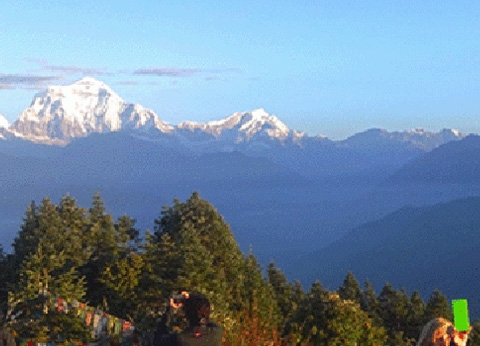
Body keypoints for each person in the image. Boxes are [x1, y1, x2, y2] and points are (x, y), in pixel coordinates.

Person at [153, 292, 223, 346]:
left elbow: (157, 339)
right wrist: (192, 298)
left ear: (186, 314)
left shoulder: (180, 340)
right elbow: (204, 317)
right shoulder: (216, 332)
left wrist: (170, 311)